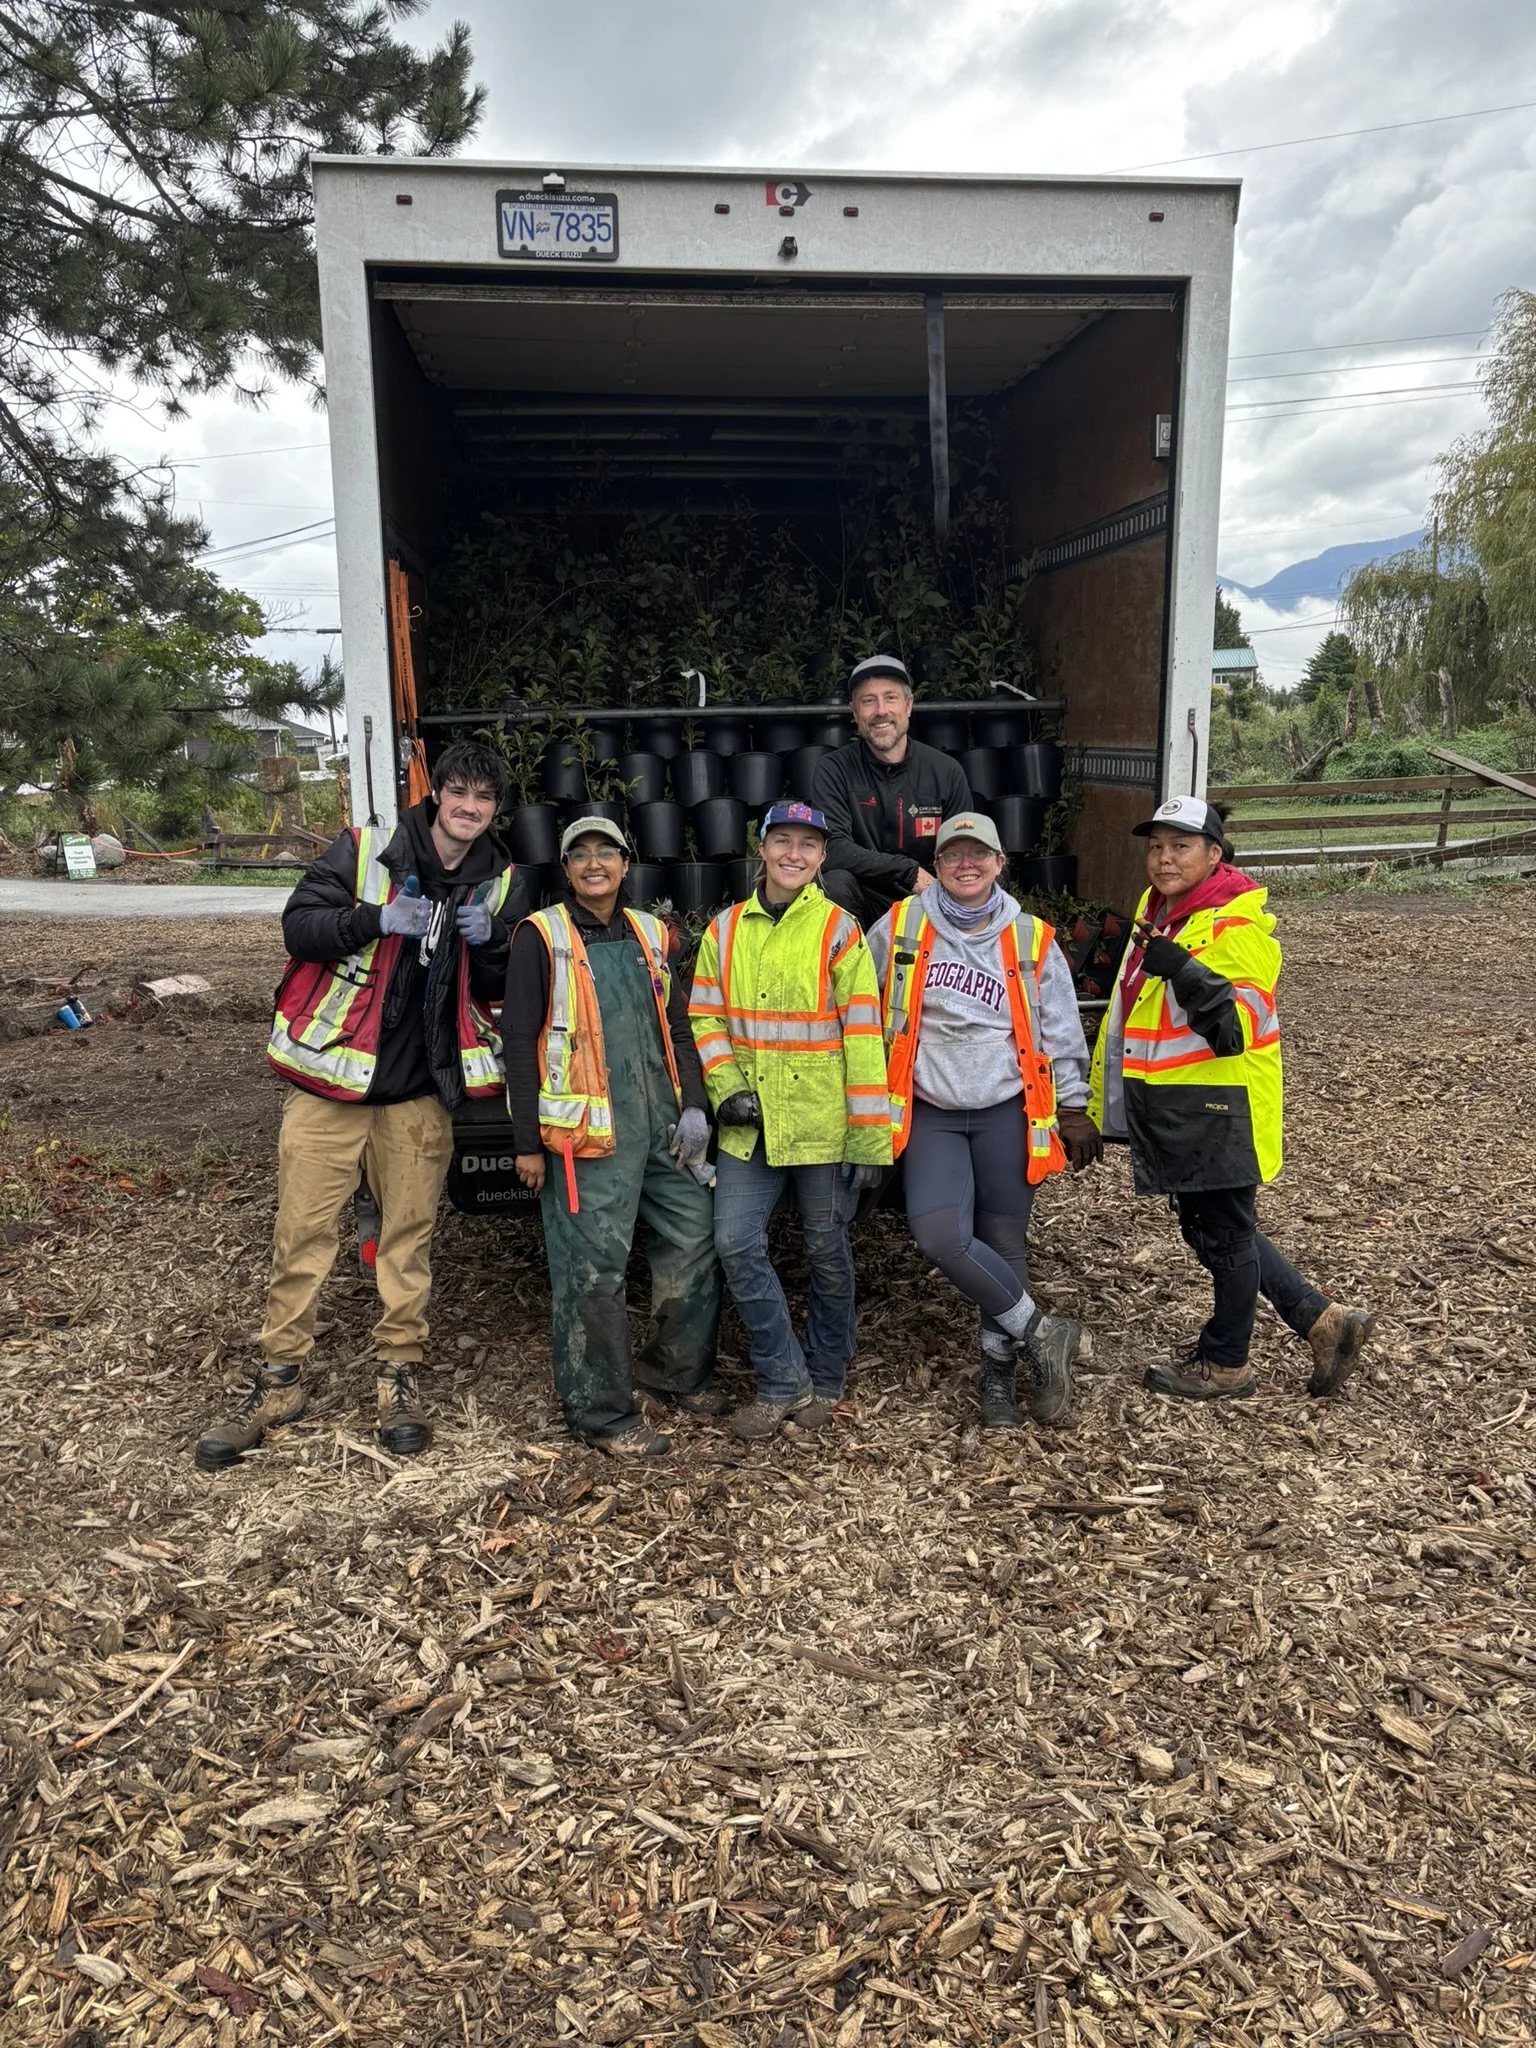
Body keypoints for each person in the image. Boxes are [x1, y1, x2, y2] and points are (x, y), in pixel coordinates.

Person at [196, 740, 526, 1472]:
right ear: (436, 793)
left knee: (408, 1240)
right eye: (459, 793)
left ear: (494, 810)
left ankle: (398, 1375)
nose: (469, 809)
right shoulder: (365, 849)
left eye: (484, 799)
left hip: (416, 1094)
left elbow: (500, 983)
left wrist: (496, 939)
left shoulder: (499, 880)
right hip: (330, 1091)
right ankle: (279, 1381)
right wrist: (375, 920)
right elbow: (298, 929)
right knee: (302, 1236)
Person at [1088, 794, 1373, 1401]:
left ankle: (1228, 1366)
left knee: (1225, 1235)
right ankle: (1322, 1321)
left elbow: (1238, 1026)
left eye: (1181, 847)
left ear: (1214, 854)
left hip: (1218, 1105)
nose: (1164, 860)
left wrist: (1185, 971)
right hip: (1178, 1101)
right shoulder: (1159, 906)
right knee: (1212, 1226)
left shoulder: (1237, 927)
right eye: (1156, 847)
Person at [867, 813, 1097, 1430]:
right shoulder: (900, 925)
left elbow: (1061, 1027)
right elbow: (858, 1001)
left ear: (1000, 863)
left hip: (1006, 1110)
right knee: (939, 1237)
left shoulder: (1031, 939)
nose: (965, 865)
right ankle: (1044, 1333)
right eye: (951, 856)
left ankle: (998, 1377)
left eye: (979, 854)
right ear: (936, 867)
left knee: (1002, 1244)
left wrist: (1073, 1105)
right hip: (933, 1111)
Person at [504, 817, 723, 1457]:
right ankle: (599, 1413)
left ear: (627, 866)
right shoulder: (540, 937)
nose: (594, 863)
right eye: (580, 854)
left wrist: (693, 1106)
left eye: (607, 852)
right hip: (586, 1137)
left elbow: (679, 1028)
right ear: (566, 868)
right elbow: (519, 1042)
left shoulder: (654, 935)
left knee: (694, 1234)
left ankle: (672, 1374)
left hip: (661, 1126)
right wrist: (526, 1143)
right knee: (591, 1271)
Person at [689, 802, 892, 1440]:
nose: (794, 855)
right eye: (783, 841)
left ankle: (827, 1375)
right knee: (736, 1243)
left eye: (808, 845)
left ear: (822, 857)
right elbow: (705, 1017)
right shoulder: (723, 931)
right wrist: (726, 1088)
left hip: (822, 1123)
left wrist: (867, 1134)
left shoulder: (839, 930)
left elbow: (864, 1035)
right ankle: (784, 1378)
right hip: (751, 1126)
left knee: (826, 1250)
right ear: (763, 848)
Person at [813, 654, 972, 927]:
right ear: (854, 712)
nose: (881, 711)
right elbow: (832, 848)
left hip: (931, 900)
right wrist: (907, 871)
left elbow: (966, 845)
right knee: (834, 883)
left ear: (908, 706)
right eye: (868, 701)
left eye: (891, 698)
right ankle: (848, 967)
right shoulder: (834, 769)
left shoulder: (946, 771)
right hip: (865, 899)